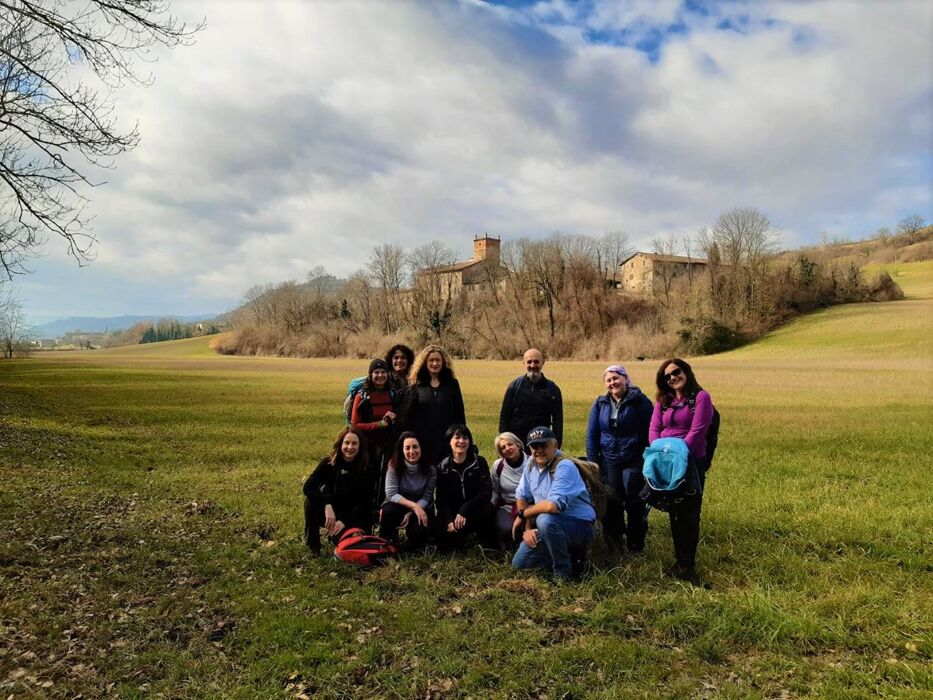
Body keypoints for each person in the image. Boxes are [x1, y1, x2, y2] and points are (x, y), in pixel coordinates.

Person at [649, 358, 714, 588]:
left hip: (690, 461)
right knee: (674, 510)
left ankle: (688, 565)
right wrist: (660, 451)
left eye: (676, 372)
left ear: (686, 371)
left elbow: (697, 432)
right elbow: (654, 429)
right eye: (667, 376)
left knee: (689, 511)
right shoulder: (663, 401)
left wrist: (676, 452)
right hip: (666, 461)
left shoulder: (701, 398)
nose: (672, 377)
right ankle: (679, 562)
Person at [511, 427, 597, 580]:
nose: (539, 450)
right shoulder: (531, 463)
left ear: (555, 445)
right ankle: (569, 555)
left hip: (580, 526)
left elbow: (552, 506)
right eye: (534, 446)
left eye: (543, 445)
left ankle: (563, 573)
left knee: (545, 519)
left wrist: (523, 514)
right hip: (551, 528)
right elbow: (521, 496)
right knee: (520, 563)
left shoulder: (565, 466)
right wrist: (528, 528)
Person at [585, 364, 653, 553]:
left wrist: (649, 458)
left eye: (616, 378)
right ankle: (614, 542)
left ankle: (635, 542)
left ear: (625, 379)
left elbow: (652, 431)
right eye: (608, 380)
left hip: (634, 460)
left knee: (634, 501)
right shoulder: (600, 404)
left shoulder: (640, 401)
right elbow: (592, 435)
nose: (612, 383)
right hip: (609, 461)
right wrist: (593, 463)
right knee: (611, 500)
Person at [302, 427, 378, 553]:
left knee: (341, 542)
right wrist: (327, 504)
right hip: (332, 511)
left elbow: (365, 501)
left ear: (360, 446)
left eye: (354, 443)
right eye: (346, 443)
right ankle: (313, 545)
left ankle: (338, 536)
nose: (350, 447)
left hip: (354, 515)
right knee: (309, 503)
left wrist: (343, 520)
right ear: (340, 444)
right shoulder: (329, 462)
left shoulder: (367, 468)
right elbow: (308, 487)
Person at [400, 344, 466, 467]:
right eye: (431, 360)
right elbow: (407, 416)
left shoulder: (452, 384)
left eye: (437, 360)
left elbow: (459, 414)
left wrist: (460, 438)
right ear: (425, 362)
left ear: (443, 362)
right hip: (422, 443)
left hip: (447, 442)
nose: (434, 363)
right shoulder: (416, 385)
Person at [434, 424, 496, 551]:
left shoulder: (479, 462)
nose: (461, 441)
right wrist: (450, 520)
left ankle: (483, 537)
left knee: (488, 509)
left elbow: (486, 492)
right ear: (449, 441)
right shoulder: (442, 467)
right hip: (453, 513)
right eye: (457, 437)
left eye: (465, 438)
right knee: (446, 546)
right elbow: (441, 499)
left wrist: (465, 508)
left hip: (473, 509)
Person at [380, 431, 437, 551]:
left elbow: (427, 497)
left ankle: (413, 542)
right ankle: (389, 539)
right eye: (407, 448)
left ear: (421, 447)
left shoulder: (431, 469)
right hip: (398, 502)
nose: (412, 451)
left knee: (419, 533)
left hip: (420, 503)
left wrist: (412, 512)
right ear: (402, 450)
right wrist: (414, 507)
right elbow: (391, 494)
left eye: (415, 447)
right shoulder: (393, 465)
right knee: (388, 512)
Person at [498, 348, 563, 449]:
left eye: (536, 362)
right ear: (524, 363)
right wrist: (504, 442)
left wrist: (555, 447)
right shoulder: (514, 387)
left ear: (543, 363)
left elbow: (558, 422)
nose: (533, 365)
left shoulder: (552, 390)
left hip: (541, 444)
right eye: (529, 362)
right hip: (516, 445)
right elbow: (504, 417)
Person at [350, 358, 400, 459]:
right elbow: (355, 425)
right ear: (370, 375)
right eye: (376, 372)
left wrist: (395, 417)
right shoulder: (361, 396)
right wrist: (380, 424)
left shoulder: (393, 394)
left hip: (389, 443)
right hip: (367, 445)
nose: (380, 375)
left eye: (383, 372)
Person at [490, 432, 530, 548]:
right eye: (503, 447)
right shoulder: (498, 466)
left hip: (529, 506)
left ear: (518, 445)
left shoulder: (532, 462)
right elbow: (495, 489)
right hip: (506, 506)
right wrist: (490, 506)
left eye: (510, 444)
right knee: (505, 528)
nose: (507, 448)